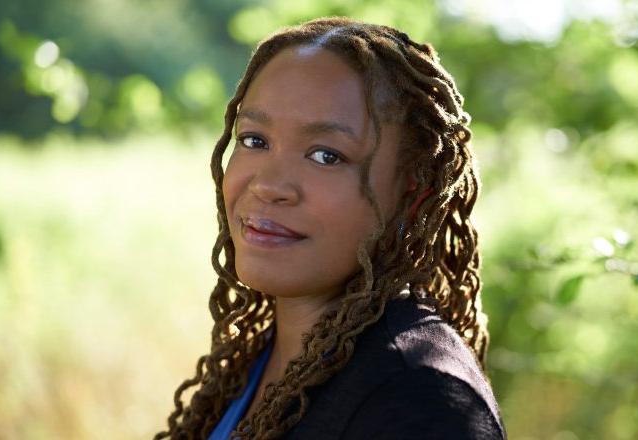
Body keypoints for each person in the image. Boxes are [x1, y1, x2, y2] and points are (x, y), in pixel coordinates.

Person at [155, 16, 506, 440]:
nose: (268, 185)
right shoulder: (262, 362)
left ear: (414, 195)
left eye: (326, 156)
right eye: (254, 140)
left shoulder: (418, 398)